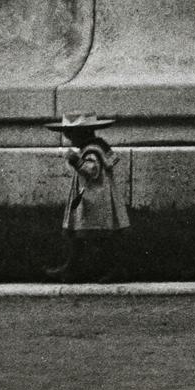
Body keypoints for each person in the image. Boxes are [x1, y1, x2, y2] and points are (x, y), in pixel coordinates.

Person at [44, 116, 129, 283]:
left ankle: (107, 269)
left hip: (95, 200)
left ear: (82, 133)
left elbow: (92, 171)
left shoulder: (91, 151)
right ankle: (72, 268)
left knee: (98, 237)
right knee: (81, 237)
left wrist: (75, 160)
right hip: (93, 197)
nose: (69, 138)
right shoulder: (96, 147)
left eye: (71, 134)